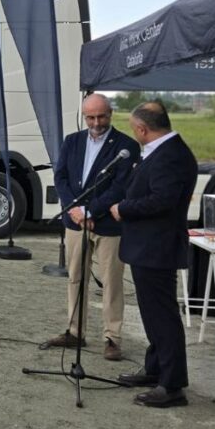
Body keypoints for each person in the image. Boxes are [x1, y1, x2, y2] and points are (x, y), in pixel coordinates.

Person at [110, 101, 198, 408]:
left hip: (157, 246)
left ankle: (172, 385)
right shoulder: (162, 151)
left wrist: (124, 208)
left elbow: (162, 200)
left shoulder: (171, 156)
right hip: (147, 246)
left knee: (162, 316)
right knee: (152, 313)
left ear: (142, 129)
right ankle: (155, 368)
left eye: (134, 128)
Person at [44, 94, 139, 361]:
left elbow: (121, 186)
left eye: (101, 116)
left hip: (108, 224)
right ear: (83, 116)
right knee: (76, 278)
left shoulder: (126, 146)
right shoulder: (72, 141)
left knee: (111, 282)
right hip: (75, 222)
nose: (96, 122)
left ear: (111, 114)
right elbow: (60, 177)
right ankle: (75, 331)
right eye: (90, 117)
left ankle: (112, 337)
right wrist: (76, 211)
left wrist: (90, 210)